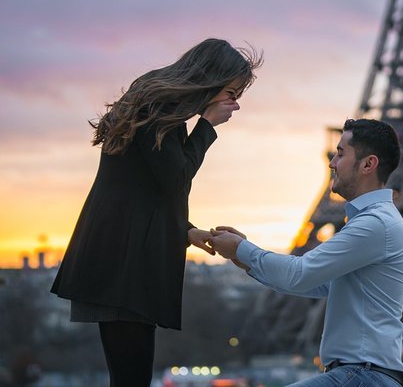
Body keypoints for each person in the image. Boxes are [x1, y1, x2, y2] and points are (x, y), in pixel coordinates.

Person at [50, 38, 262, 387]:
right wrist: (207, 125)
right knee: (131, 378)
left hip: (119, 249)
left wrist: (186, 230)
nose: (234, 105)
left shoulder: (157, 104)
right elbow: (175, 178)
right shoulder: (159, 109)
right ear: (213, 79)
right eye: (232, 93)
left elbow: (144, 186)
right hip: (125, 259)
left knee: (129, 376)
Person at [208, 118, 403, 387]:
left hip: (363, 375)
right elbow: (317, 284)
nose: (332, 163)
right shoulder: (377, 222)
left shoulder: (376, 224)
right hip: (363, 375)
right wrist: (242, 258)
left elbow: (300, 274)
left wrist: (242, 250)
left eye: (341, 153)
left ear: (368, 164)